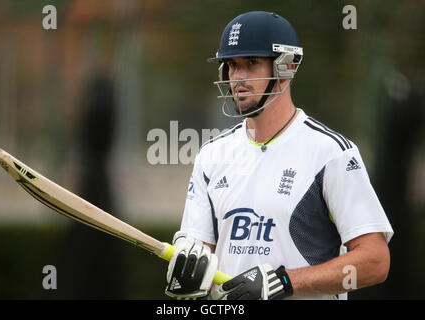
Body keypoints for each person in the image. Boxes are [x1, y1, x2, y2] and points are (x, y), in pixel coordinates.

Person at [165, 10, 394, 300]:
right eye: (232, 66)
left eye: (252, 63)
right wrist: (189, 276)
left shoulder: (331, 153)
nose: (238, 78)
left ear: (287, 67)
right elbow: (200, 253)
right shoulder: (211, 156)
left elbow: (376, 261)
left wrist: (285, 281)